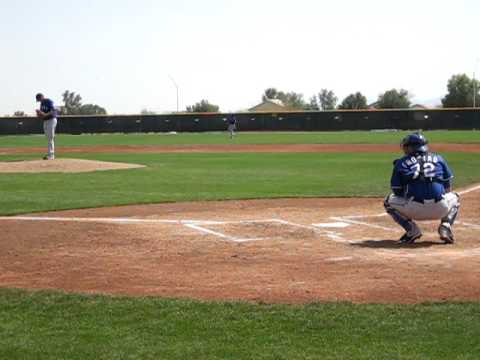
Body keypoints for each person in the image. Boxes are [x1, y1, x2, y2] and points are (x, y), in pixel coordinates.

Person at [384, 133, 460, 244]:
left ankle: (412, 230)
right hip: (441, 208)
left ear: (410, 147)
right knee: (456, 197)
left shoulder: (401, 162)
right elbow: (448, 187)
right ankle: (445, 226)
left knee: (387, 202)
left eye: (406, 146)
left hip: (414, 210)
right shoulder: (438, 158)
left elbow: (397, 190)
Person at [35, 93, 57, 160]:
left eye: (39, 99)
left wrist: (44, 114)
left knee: (50, 138)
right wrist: (39, 114)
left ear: (41, 97)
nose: (39, 101)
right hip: (45, 121)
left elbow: (54, 111)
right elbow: (42, 115)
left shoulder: (49, 101)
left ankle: (51, 155)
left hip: (51, 120)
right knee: (48, 138)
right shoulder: (41, 103)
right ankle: (50, 154)